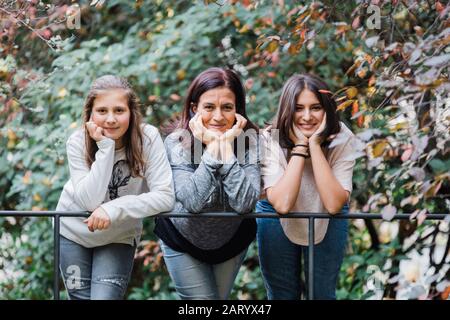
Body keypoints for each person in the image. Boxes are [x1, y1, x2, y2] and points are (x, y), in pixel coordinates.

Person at [56, 75, 174, 300]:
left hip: (118, 235)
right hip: (71, 233)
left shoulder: (147, 138)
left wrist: (112, 209)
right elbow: (89, 202)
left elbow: (165, 196)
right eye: (102, 111)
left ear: (131, 113)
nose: (110, 119)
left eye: (119, 110)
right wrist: (106, 147)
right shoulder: (78, 141)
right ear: (90, 113)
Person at [154, 67, 260, 300]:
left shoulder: (249, 143)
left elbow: (244, 203)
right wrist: (215, 151)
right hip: (182, 238)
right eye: (209, 107)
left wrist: (225, 149)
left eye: (227, 107)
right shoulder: (177, 142)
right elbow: (192, 201)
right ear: (195, 109)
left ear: (238, 111)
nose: (218, 117)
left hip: (231, 240)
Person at [257, 73, 355, 300]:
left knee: (321, 294)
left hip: (328, 212)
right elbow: (281, 203)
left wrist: (314, 144)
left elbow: (333, 204)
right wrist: (301, 147)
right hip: (276, 211)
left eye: (316, 108)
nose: (307, 116)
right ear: (287, 110)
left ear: (327, 109)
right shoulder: (269, 138)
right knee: (281, 295)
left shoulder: (342, 137)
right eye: (299, 108)